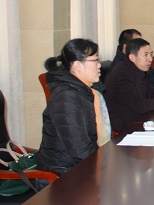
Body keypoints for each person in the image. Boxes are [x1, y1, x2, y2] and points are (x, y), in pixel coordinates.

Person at [39, 39, 111, 174]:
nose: (99, 65)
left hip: (81, 165)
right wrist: (108, 164)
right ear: (78, 66)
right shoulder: (66, 96)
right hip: (63, 173)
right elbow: (80, 150)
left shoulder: (88, 90)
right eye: (95, 60)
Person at [105, 37, 154, 132]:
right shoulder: (122, 75)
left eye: (151, 54)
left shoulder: (136, 70)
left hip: (141, 120)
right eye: (145, 55)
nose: (150, 59)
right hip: (126, 127)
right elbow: (140, 105)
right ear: (132, 57)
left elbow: (151, 92)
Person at [109, 28, 154, 93]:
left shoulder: (143, 64)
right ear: (125, 48)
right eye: (137, 42)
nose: (150, 59)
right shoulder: (120, 70)